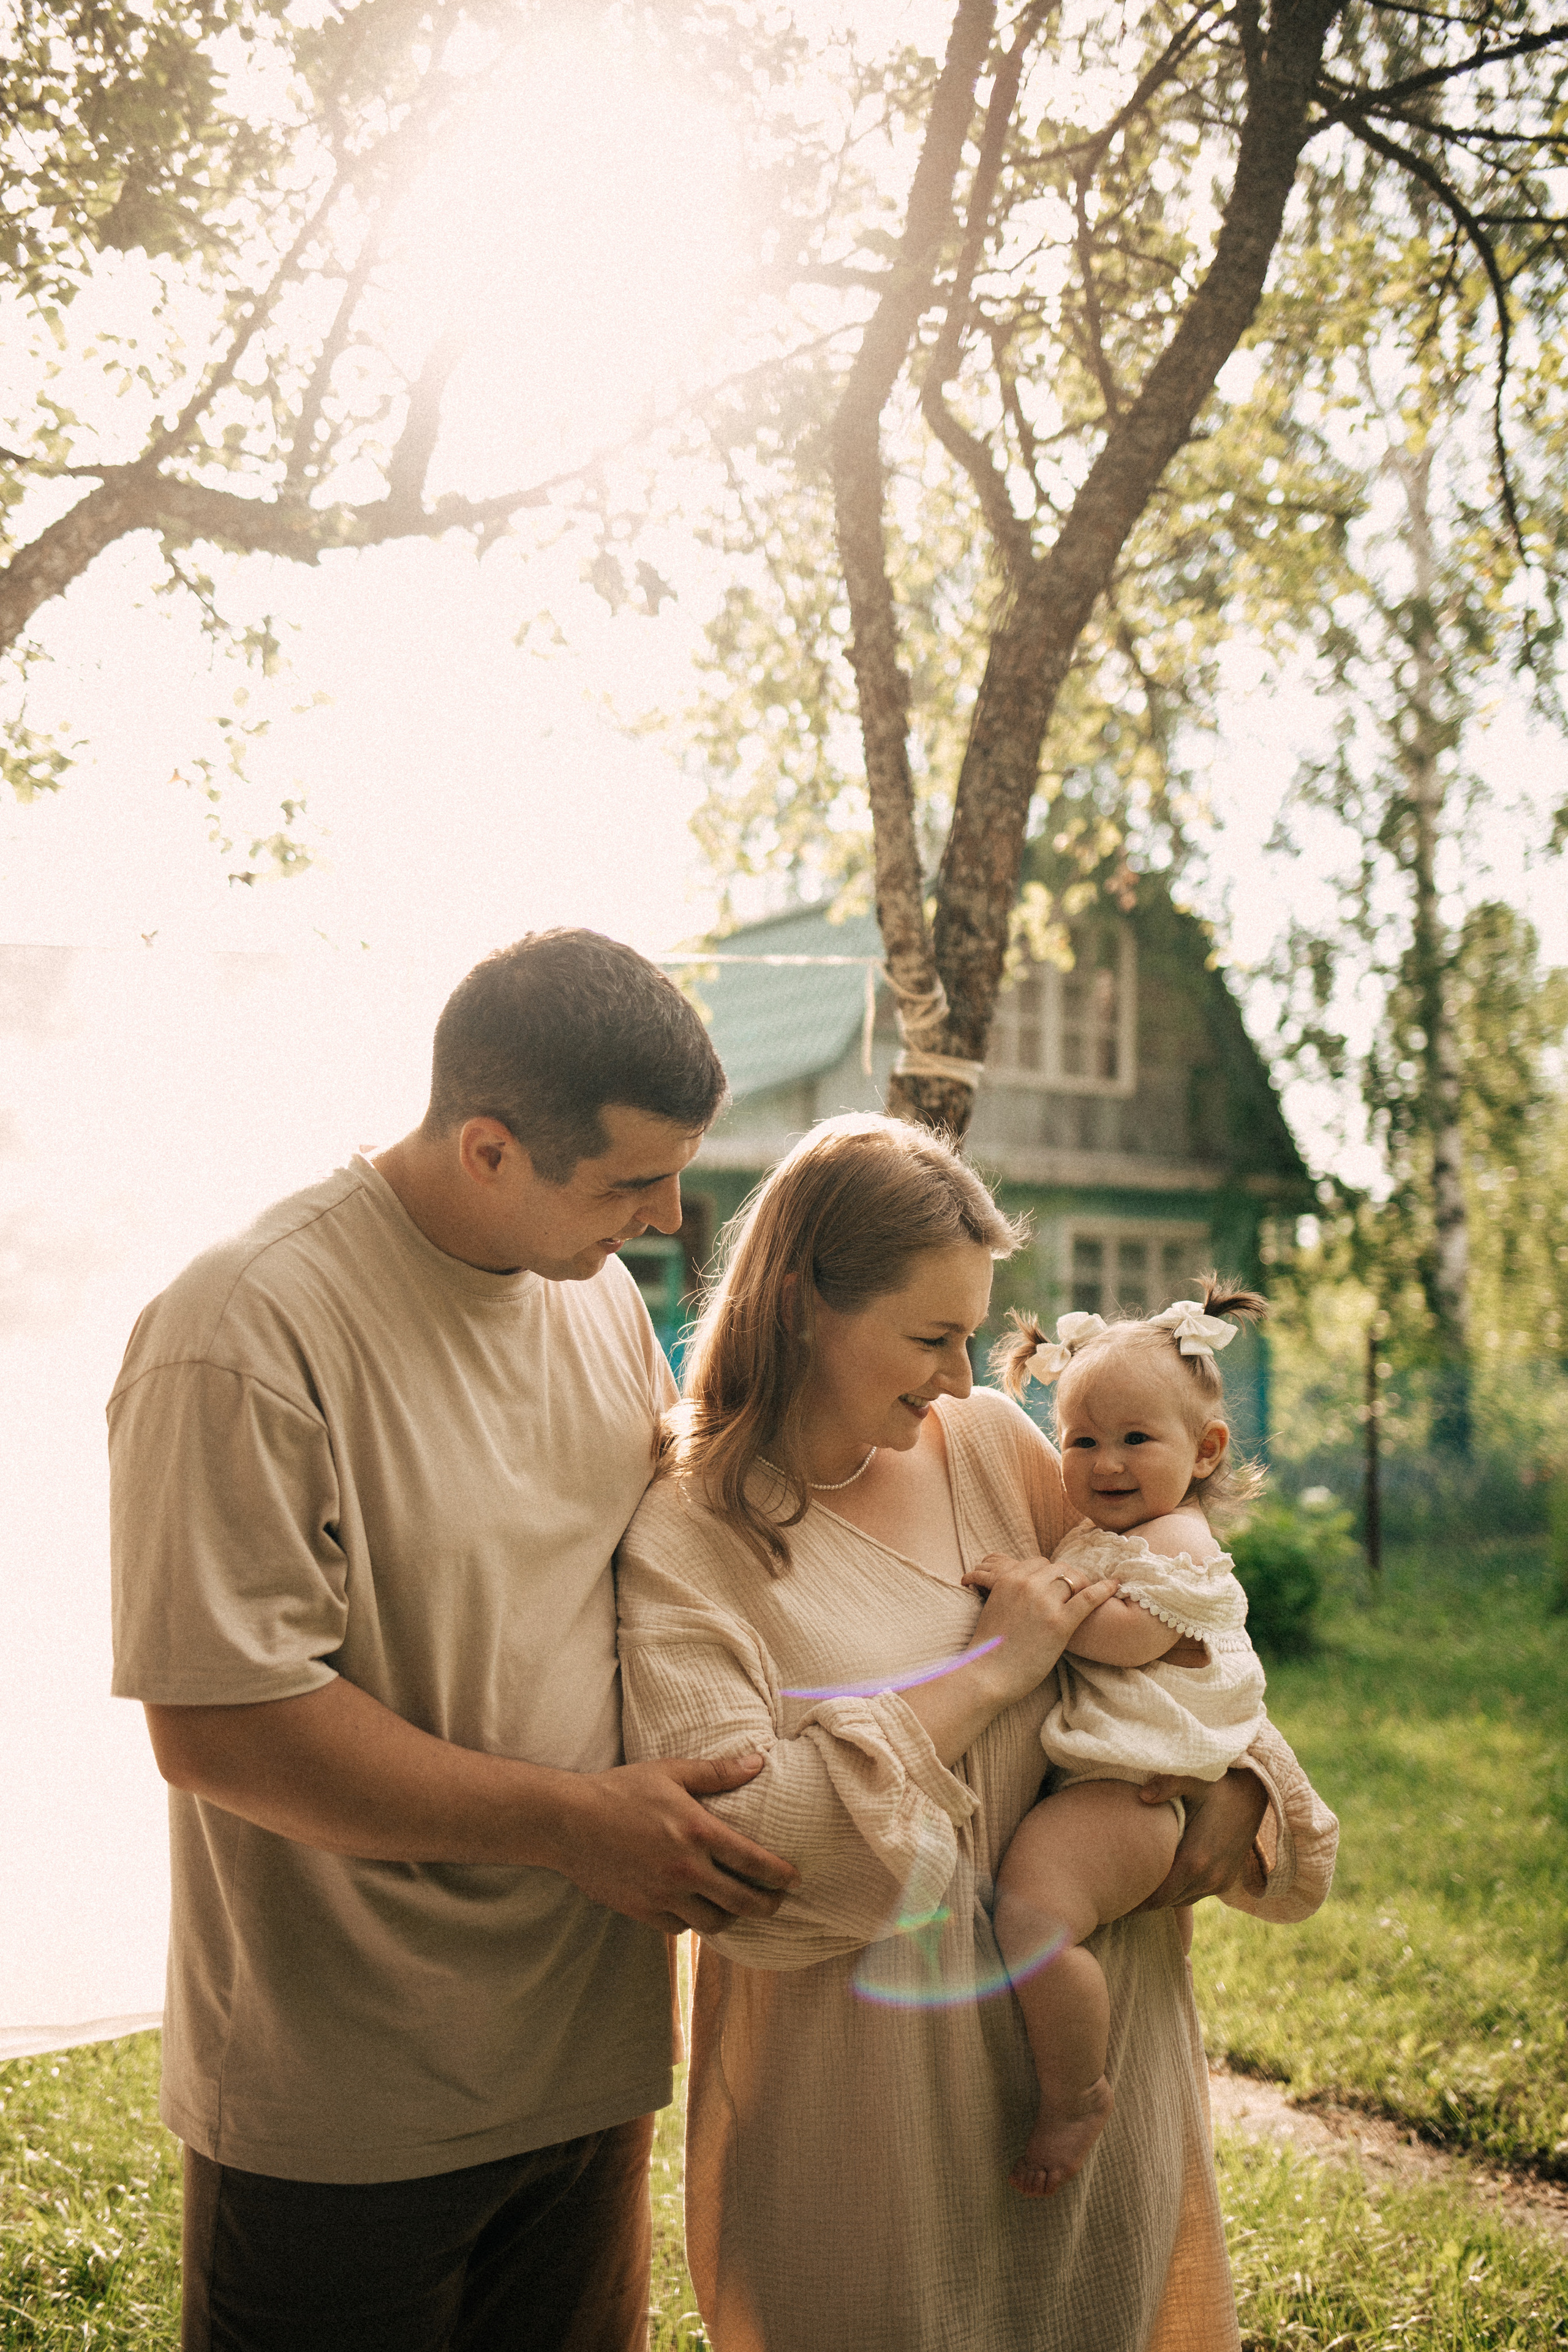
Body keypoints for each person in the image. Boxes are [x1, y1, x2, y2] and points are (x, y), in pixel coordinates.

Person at [108, 930, 797, 2352]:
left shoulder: (597, 1297)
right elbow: (223, 1726)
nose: (672, 1219)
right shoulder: (241, 1328)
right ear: (487, 1149)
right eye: (627, 1182)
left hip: (587, 2062)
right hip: (345, 2100)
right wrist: (571, 1827)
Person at [616, 1114, 1338, 2352]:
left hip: (1091, 2093)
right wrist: (993, 1672)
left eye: (969, 1336)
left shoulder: (996, 1448)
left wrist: (1240, 1792)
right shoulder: (691, 1537)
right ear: (798, 1304)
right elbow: (742, 1849)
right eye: (930, 1338)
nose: (962, 1377)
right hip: (867, 2123)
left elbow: (1178, 1640)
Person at [967, 1284, 1272, 2199]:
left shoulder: (1175, 1541)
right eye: (1080, 1440)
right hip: (1114, 1787)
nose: (1105, 1463)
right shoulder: (1112, 1537)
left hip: (1132, 1799)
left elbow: (1126, 1637)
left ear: (1205, 1450)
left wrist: (1025, 1598)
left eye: (1136, 1440)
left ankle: (1074, 2094)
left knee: (1032, 1923)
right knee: (1031, 1922)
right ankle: (1071, 2079)